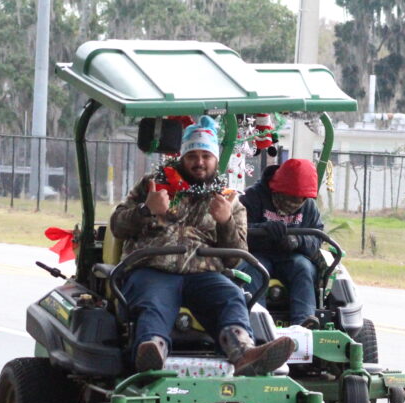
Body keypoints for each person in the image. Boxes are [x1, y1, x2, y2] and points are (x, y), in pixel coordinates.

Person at [109, 115, 295, 376]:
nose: (199, 162)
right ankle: (151, 351)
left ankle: (243, 353)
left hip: (203, 272)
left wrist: (225, 222)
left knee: (231, 296)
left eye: (205, 156)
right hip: (153, 267)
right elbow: (117, 225)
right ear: (182, 157)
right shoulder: (152, 185)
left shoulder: (228, 199)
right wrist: (146, 210)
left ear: (216, 160)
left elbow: (235, 258)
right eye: (192, 155)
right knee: (153, 302)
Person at [239, 158, 325, 328]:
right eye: (290, 197)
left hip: (291, 257)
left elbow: (318, 238)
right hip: (258, 254)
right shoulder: (253, 197)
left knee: (303, 267)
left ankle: (304, 321)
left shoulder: (309, 207)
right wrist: (263, 229)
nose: (295, 203)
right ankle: (255, 320)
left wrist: (298, 240)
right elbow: (237, 231)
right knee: (253, 269)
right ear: (276, 188)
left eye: (300, 199)